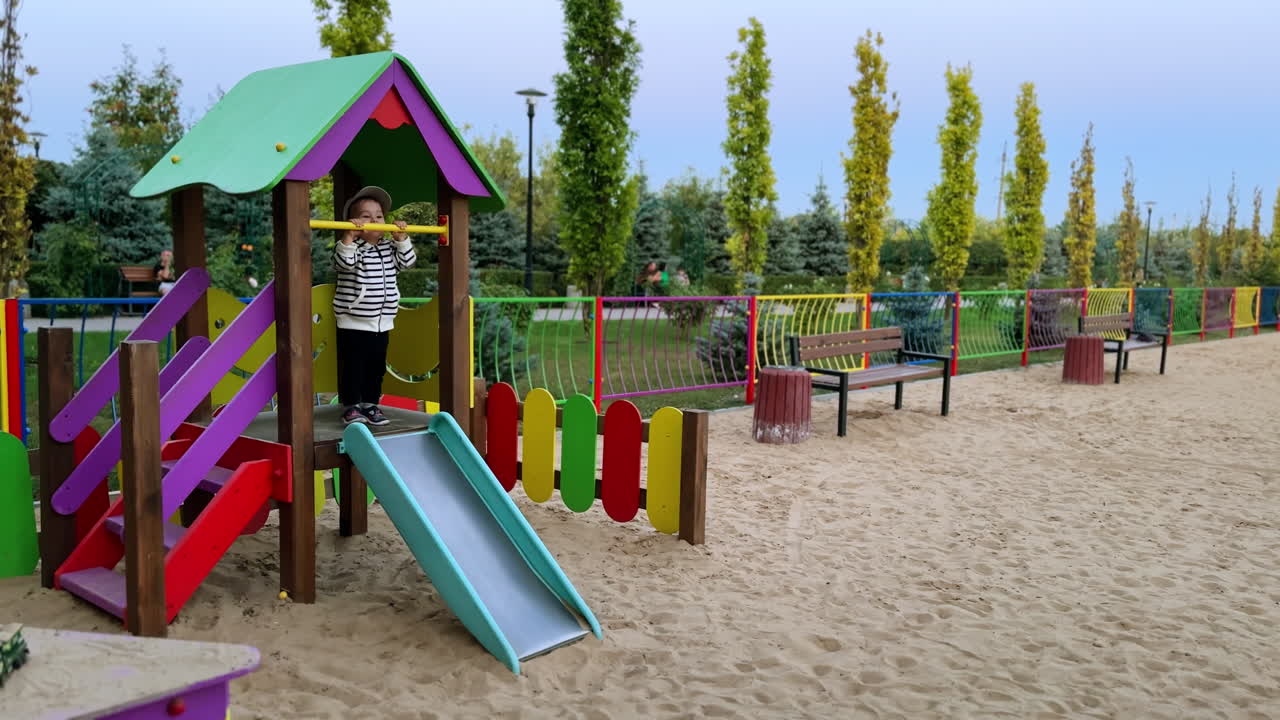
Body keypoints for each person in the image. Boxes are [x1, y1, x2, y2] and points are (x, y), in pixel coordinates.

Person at [333, 186, 415, 425]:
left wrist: (402, 240)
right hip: (354, 321)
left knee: (376, 367)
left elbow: (408, 262)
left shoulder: (389, 249)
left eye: (379, 216)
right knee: (354, 367)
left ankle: (371, 405)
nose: (374, 220)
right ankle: (351, 406)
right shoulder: (353, 249)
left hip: (382, 322)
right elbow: (344, 263)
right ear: (354, 222)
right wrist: (348, 237)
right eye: (366, 216)